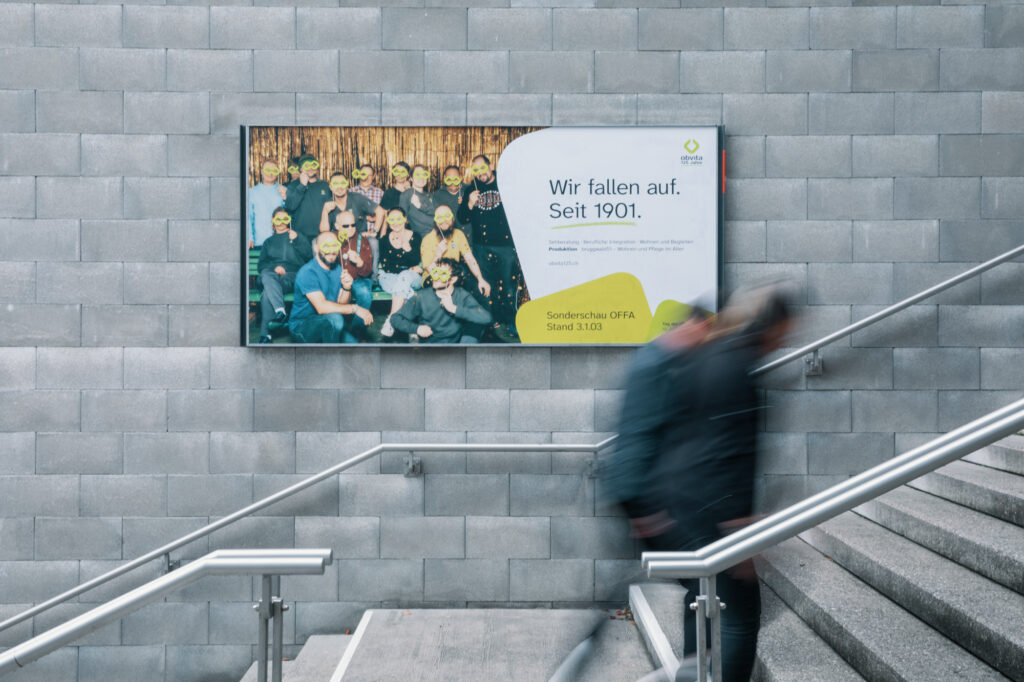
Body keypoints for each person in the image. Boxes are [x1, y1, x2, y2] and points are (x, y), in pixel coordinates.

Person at [603, 287, 796, 682]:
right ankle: (700, 670)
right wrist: (736, 528)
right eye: (786, 333)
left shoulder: (693, 359)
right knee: (740, 609)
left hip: (677, 501)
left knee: (699, 589)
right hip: (693, 506)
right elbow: (728, 454)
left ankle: (693, 670)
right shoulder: (719, 367)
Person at [457, 154, 521, 335]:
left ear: (490, 166)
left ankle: (511, 321)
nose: (480, 173)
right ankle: (491, 321)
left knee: (509, 286)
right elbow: (461, 218)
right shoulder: (471, 189)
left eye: (482, 168)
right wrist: (469, 204)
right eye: (475, 170)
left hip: (505, 245)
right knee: (487, 286)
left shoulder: (506, 182)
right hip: (481, 246)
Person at [288, 232, 373, 344]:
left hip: (330, 322)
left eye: (334, 246)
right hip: (302, 326)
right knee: (335, 319)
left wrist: (346, 288)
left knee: (356, 350)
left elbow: (341, 304)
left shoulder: (338, 269)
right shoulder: (308, 272)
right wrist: (355, 308)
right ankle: (330, 357)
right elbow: (322, 307)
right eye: (326, 246)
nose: (331, 251)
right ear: (316, 247)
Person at [390, 258, 492, 344]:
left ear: (452, 279)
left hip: (455, 345)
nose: (436, 278)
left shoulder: (462, 295)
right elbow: (395, 318)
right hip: (430, 347)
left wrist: (453, 308)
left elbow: (487, 318)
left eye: (442, 274)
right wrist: (416, 329)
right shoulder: (421, 296)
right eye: (435, 273)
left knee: (475, 326)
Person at [254, 208, 311, 344]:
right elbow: (261, 265)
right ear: (273, 222)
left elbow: (309, 256)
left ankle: (266, 334)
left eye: (284, 219)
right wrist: (274, 268)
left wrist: (297, 240)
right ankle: (280, 311)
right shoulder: (268, 242)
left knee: (268, 292)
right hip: (270, 276)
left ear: (289, 221)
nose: (281, 222)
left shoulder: (297, 236)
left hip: (291, 277)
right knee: (266, 275)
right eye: (277, 219)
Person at [319, 172, 385, 274]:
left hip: (359, 238)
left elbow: (380, 211)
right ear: (331, 187)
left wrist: (374, 231)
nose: (339, 187)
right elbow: (324, 232)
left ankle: (374, 277)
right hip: (338, 239)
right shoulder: (328, 203)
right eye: (335, 184)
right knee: (316, 241)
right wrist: (324, 211)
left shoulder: (357, 198)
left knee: (373, 241)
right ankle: (325, 276)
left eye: (342, 183)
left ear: (347, 185)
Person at [419, 205, 490, 300]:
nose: (444, 221)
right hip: (433, 277)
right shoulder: (427, 239)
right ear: (435, 221)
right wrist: (438, 254)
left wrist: (480, 279)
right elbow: (430, 270)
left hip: (454, 275)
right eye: (440, 217)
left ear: (452, 219)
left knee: (477, 287)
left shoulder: (459, 234)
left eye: (447, 216)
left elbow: (469, 258)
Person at [376, 208, 423, 338]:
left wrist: (407, 248)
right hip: (390, 277)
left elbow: (416, 260)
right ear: (388, 221)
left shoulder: (415, 236)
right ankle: (412, 327)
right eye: (392, 219)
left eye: (399, 219)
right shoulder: (384, 240)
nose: (395, 223)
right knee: (405, 287)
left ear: (405, 219)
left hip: (412, 278)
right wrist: (408, 267)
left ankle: (391, 320)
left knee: (404, 276)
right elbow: (385, 265)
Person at [334, 209, 374, 340]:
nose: (350, 228)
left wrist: (359, 262)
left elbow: (368, 272)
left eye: (353, 225)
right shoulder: (331, 239)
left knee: (364, 293)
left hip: (358, 279)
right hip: (336, 279)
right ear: (337, 226)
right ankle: (339, 329)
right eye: (346, 226)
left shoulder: (362, 241)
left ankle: (357, 331)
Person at [284, 153, 332, 242]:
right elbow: (290, 206)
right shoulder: (293, 186)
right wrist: (302, 185)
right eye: (306, 165)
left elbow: (331, 210)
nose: (310, 168)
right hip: (300, 237)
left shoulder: (325, 186)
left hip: (321, 236)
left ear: (317, 168)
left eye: (313, 165)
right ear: (301, 169)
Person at [248, 160, 285, 248]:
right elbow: (249, 217)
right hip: (259, 241)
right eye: (268, 170)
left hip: (280, 241)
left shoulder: (284, 190)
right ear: (261, 171)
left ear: (278, 173)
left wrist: (285, 196)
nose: (270, 173)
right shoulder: (252, 192)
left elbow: (290, 215)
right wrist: (249, 237)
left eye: (274, 170)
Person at [399, 164, 439, 237]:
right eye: (417, 175)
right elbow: (401, 218)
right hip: (422, 236)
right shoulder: (407, 195)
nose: (421, 178)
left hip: (438, 232)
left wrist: (420, 206)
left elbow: (437, 212)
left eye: (424, 175)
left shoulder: (430, 195)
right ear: (411, 178)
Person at [432, 165, 470, 240]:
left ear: (461, 177)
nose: (452, 182)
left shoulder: (469, 190)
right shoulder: (438, 195)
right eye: (449, 179)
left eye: (455, 179)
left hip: (468, 238)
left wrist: (466, 202)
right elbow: (436, 219)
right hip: (448, 239)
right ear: (444, 179)